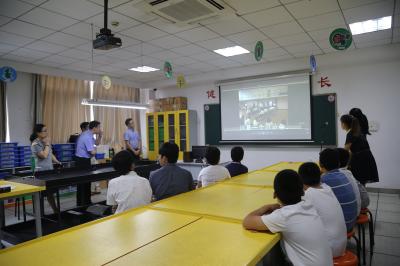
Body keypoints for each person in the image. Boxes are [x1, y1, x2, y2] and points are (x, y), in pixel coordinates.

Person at [243, 170, 333, 266]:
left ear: (275, 194)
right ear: (303, 189)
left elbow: (247, 221)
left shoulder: (284, 216)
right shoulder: (308, 203)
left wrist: (266, 207)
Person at [298, 162, 347, 257]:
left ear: (300, 180)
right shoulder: (327, 188)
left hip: (329, 251)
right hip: (341, 245)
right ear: (320, 175)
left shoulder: (309, 195)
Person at [319, 148, 358, 231]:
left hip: (342, 226)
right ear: (339, 163)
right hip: (352, 221)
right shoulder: (343, 175)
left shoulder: (324, 180)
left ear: (320, 164)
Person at [30, 124, 62, 214]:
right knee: (40, 194)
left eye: (46, 130)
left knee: (50, 192)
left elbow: (50, 154)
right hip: (40, 172)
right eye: (44, 131)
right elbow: (43, 155)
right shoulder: (35, 144)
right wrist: (47, 144)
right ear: (38, 133)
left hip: (49, 170)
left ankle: (55, 210)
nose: (46, 133)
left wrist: (57, 161)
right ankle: (39, 214)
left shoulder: (46, 141)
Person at [340, 114, 379, 184]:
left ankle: (359, 194)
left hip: (360, 159)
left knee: (357, 180)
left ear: (344, 123)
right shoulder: (358, 132)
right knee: (362, 181)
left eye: (341, 123)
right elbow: (352, 151)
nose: (341, 125)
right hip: (367, 157)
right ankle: (361, 193)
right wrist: (347, 164)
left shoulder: (350, 134)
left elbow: (345, 151)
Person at [74, 120, 102, 206]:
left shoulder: (89, 134)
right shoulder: (87, 136)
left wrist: (100, 136)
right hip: (82, 161)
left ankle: (86, 202)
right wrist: (96, 150)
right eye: (99, 127)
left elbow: (96, 143)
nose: (100, 129)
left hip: (83, 160)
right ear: (94, 128)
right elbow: (92, 152)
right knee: (83, 183)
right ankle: (82, 204)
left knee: (86, 182)